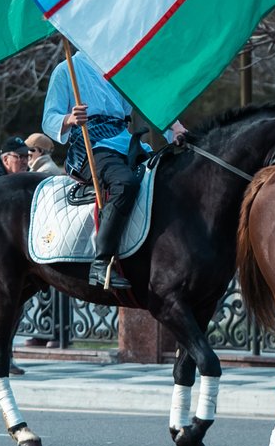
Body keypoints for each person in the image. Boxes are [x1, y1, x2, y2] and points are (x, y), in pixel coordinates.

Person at [43, 50, 186, 291]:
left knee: (165, 177)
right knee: (125, 183)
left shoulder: (118, 66)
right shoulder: (66, 69)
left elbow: (150, 100)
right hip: (89, 143)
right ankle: (101, 262)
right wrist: (69, 119)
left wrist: (176, 128)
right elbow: (49, 119)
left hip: (123, 138)